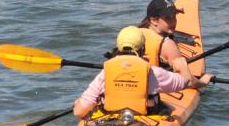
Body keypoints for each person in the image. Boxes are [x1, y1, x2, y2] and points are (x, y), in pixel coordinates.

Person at [72, 26, 212, 119]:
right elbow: (186, 82)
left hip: (110, 120)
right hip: (144, 121)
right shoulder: (152, 72)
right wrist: (183, 68)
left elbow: (78, 111)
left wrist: (79, 101)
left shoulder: (105, 73)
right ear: (143, 48)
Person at [137, 0, 196, 86]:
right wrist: (203, 82)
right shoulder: (168, 45)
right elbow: (188, 81)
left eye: (174, 16)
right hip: (159, 89)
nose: (173, 22)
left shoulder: (135, 34)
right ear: (153, 20)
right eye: (168, 18)